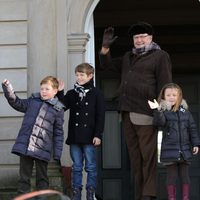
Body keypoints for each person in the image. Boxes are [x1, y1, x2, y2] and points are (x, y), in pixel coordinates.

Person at [99, 21, 172, 200]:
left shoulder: (160, 56)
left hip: (146, 112)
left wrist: (162, 109)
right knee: (135, 158)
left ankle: (149, 194)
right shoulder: (128, 57)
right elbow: (107, 65)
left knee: (148, 157)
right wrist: (105, 48)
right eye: (136, 37)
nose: (139, 40)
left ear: (150, 38)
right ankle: (140, 195)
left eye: (142, 37)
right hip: (126, 111)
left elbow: (165, 82)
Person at [2, 76, 65, 195]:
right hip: (26, 145)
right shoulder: (33, 101)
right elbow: (16, 102)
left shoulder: (58, 109)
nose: (44, 91)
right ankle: (23, 196)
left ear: (55, 91)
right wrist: (8, 88)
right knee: (24, 177)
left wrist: (57, 154)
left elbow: (58, 133)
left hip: (43, 148)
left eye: (47, 89)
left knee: (42, 178)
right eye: (42, 89)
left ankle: (42, 197)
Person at [57, 63, 105, 200]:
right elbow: (61, 106)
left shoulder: (97, 94)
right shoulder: (72, 93)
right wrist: (60, 92)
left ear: (90, 76)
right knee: (77, 166)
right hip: (75, 137)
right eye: (77, 75)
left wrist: (98, 135)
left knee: (90, 166)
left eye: (82, 75)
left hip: (90, 136)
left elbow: (100, 116)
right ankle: (76, 194)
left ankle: (90, 193)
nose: (79, 77)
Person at [148, 83, 200, 200]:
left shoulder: (185, 112)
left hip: (185, 151)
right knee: (171, 177)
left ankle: (185, 198)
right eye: (168, 95)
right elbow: (159, 122)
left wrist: (196, 143)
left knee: (185, 176)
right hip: (170, 151)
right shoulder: (163, 112)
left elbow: (192, 128)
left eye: (174, 95)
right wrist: (157, 110)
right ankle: (171, 198)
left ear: (179, 96)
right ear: (164, 97)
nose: (171, 97)